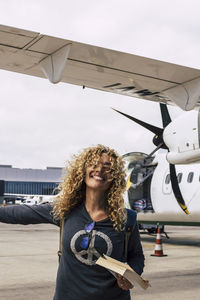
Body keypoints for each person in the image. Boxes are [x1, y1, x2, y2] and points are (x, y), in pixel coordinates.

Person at [0, 144, 144, 300]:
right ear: (82, 171)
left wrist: (132, 274)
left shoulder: (126, 218)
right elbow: (21, 213)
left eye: (108, 167)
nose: (100, 170)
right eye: (94, 164)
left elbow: (137, 257)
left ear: (114, 176)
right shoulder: (65, 210)